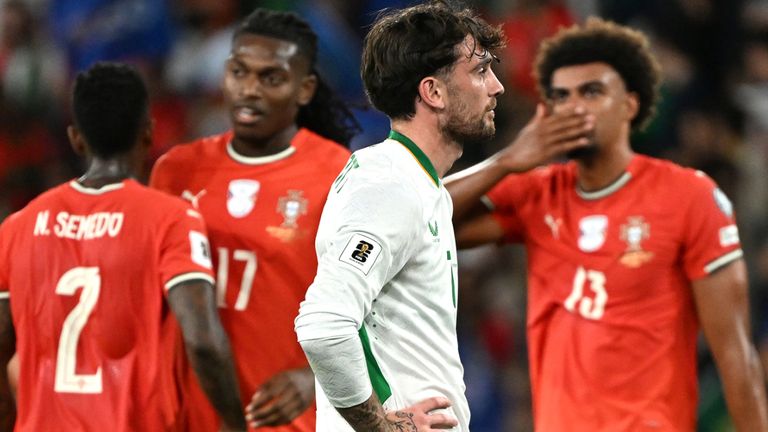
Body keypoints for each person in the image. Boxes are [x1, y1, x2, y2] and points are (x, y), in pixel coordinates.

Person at [445, 18, 768, 431]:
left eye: (592, 92)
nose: (574, 107)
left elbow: (736, 355)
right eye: (561, 96)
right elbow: (419, 219)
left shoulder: (690, 196)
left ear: (630, 105)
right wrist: (506, 161)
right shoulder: (538, 192)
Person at [292, 2, 559, 431]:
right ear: (433, 92)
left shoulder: (416, 184)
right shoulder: (388, 187)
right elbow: (324, 326)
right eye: (480, 71)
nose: (497, 87)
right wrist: (380, 426)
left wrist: (507, 162)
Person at [0, 62, 246, 431]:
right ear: (148, 132)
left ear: (75, 138)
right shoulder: (170, 219)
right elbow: (203, 342)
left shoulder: (18, 226)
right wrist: (236, 424)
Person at [149, 8, 357, 431]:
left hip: (287, 420)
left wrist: (315, 378)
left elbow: (379, 304)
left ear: (304, 89)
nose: (249, 90)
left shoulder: (338, 173)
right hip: (188, 419)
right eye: (239, 72)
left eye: (271, 78)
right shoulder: (175, 171)